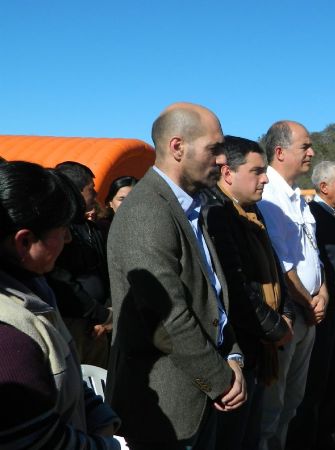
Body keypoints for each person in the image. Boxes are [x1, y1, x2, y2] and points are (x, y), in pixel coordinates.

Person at [106, 102, 246, 449]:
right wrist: (220, 380)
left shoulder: (191, 208)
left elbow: (213, 297)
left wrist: (232, 355)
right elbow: (166, 318)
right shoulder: (146, 211)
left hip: (202, 392)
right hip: (167, 411)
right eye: (214, 149)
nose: (222, 160)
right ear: (178, 147)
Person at [0, 160, 120, 449]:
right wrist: (109, 446)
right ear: (24, 242)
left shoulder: (36, 290)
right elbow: (39, 440)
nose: (68, 238)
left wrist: (99, 417)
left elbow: (69, 375)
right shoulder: (9, 335)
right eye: (62, 229)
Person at [203, 135, 293, 449]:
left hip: (259, 345)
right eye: (257, 171)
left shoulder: (250, 211)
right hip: (241, 349)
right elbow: (236, 289)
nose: (265, 178)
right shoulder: (217, 214)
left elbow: (274, 269)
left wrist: (285, 314)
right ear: (227, 173)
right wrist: (276, 327)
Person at [257, 120, 327, 449]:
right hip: (290, 314)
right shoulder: (268, 195)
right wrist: (308, 302)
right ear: (281, 151)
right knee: (272, 406)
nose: (311, 152)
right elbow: (283, 265)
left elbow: (312, 254)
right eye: (305, 146)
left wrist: (322, 291)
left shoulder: (296, 196)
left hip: (309, 311)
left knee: (292, 401)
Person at [287, 161, 335, 450]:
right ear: (323, 187)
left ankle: (327, 437)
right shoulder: (313, 215)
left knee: (334, 377)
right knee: (316, 382)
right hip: (320, 311)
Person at [47, 161, 113, 367]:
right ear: (75, 191)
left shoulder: (92, 228)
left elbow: (107, 271)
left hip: (101, 325)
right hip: (73, 325)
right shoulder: (57, 232)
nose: (95, 195)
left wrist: (107, 314)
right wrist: (99, 314)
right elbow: (62, 281)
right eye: (91, 189)